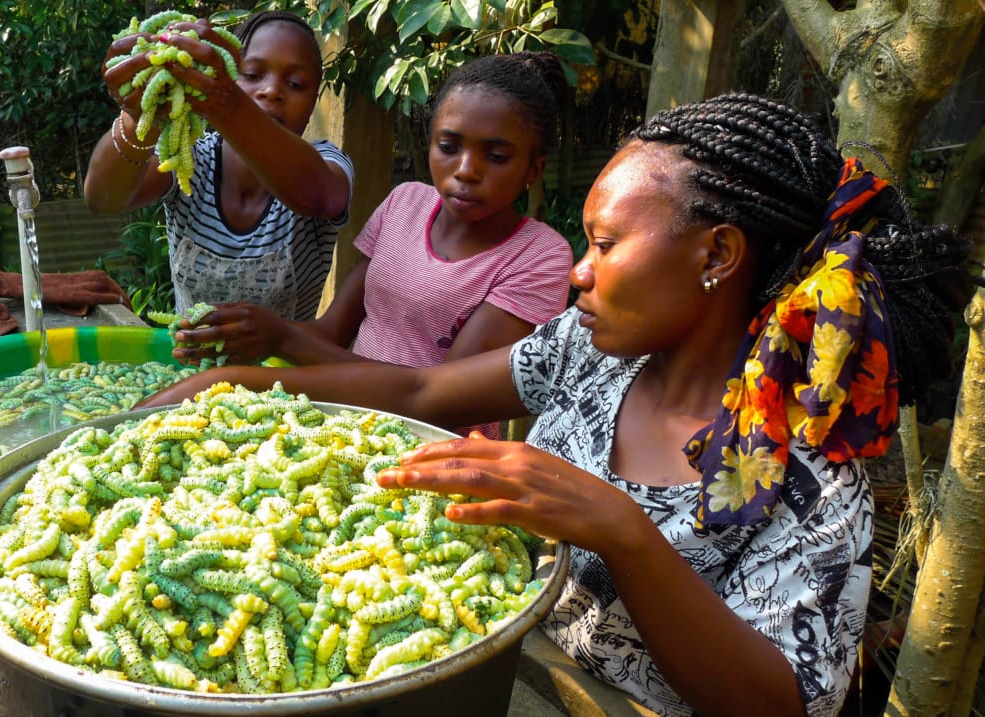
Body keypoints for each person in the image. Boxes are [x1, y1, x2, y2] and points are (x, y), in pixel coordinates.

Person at [138, 93, 979, 716]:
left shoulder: (809, 464)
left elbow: (783, 703)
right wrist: (248, 383)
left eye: (607, 244)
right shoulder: (593, 351)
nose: (578, 268)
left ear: (717, 253)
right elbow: (419, 389)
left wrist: (620, 528)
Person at [168, 53, 575, 437]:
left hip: (432, 453)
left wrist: (278, 341)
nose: (466, 171)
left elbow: (438, 399)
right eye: (449, 148)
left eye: (497, 156)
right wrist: (244, 334)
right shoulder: (405, 203)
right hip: (344, 427)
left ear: (533, 169)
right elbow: (330, 332)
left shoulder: (539, 257)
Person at [83, 11, 353, 322]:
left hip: (284, 372)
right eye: (251, 75)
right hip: (191, 367)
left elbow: (318, 197)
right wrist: (139, 115)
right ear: (228, 73)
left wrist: (225, 102)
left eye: (295, 83)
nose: (272, 91)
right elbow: (103, 199)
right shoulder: (188, 158)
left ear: (313, 100)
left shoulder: (326, 164)